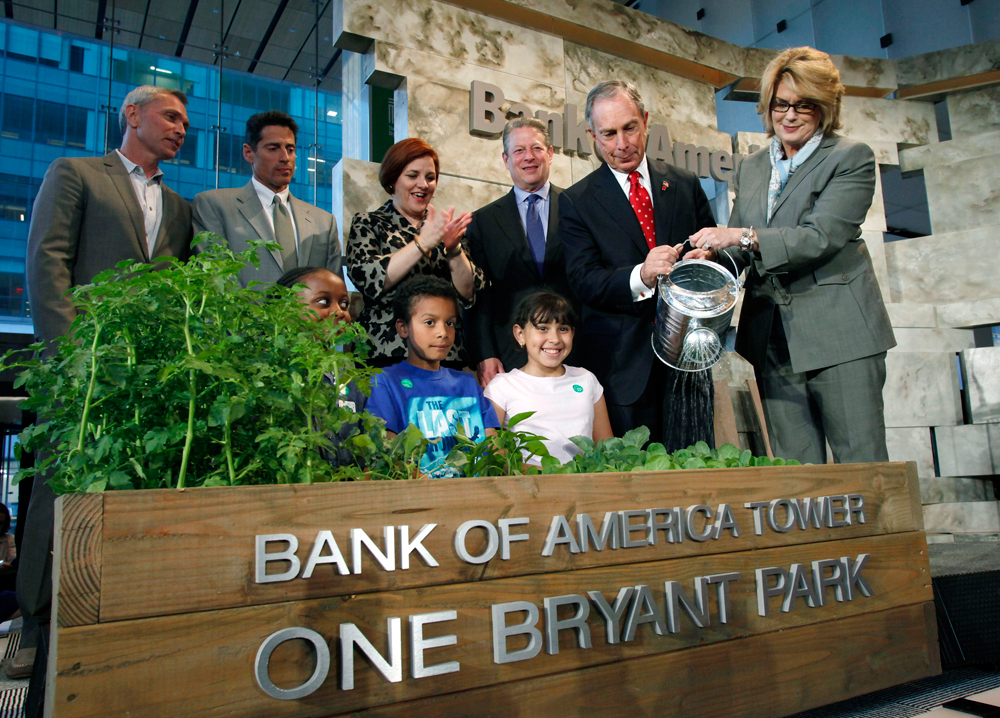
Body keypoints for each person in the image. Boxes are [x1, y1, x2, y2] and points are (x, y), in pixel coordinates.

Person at [21, 84, 193, 709]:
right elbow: (48, 263)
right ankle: (33, 620)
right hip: (82, 370)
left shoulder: (178, 205)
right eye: (170, 117)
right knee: (60, 487)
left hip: (144, 379)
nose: (179, 129)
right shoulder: (76, 174)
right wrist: (70, 358)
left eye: (184, 122)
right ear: (132, 115)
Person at [688, 47, 895, 465]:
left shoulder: (850, 157)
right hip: (771, 340)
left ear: (825, 107)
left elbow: (820, 237)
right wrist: (709, 259)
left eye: (804, 105)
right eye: (782, 104)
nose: (790, 115)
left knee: (863, 466)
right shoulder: (751, 167)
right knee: (795, 471)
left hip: (841, 335)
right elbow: (743, 251)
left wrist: (740, 236)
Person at [559, 80, 717, 451]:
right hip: (623, 369)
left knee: (698, 476)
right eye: (608, 133)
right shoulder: (577, 200)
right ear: (592, 136)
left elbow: (719, 251)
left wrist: (707, 259)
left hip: (687, 363)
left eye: (629, 128)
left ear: (645, 121)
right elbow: (583, 280)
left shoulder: (684, 184)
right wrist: (640, 275)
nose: (621, 144)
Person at [346, 139, 482, 368]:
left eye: (430, 177)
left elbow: (469, 293)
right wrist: (422, 243)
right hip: (386, 350)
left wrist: (453, 250)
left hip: (446, 354)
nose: (423, 184)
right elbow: (367, 277)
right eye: (412, 176)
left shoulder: (445, 227)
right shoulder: (369, 222)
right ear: (393, 179)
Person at [465, 117, 577, 388]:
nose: (529, 157)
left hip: (574, 348)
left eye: (536, 148)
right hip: (510, 353)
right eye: (519, 150)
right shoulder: (483, 221)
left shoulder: (579, 207)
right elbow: (477, 297)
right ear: (506, 159)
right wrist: (485, 353)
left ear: (550, 154)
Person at [366, 276, 499, 477]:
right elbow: (387, 455)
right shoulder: (385, 381)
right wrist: (434, 493)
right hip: (419, 500)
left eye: (450, 323)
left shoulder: (467, 383)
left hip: (477, 496)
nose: (443, 332)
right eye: (430, 322)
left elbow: (493, 448)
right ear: (403, 328)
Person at [193, 111, 342, 287]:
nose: (285, 158)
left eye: (290, 149)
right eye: (273, 149)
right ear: (248, 153)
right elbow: (215, 281)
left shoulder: (324, 222)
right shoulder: (215, 206)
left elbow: (333, 292)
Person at [484, 290, 613, 465]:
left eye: (563, 329)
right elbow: (492, 453)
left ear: (572, 334)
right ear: (520, 334)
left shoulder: (586, 379)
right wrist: (544, 477)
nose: (555, 338)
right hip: (528, 486)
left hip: (585, 486)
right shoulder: (502, 386)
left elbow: (607, 449)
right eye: (543, 328)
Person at [276, 266, 366, 467]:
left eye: (344, 304)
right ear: (286, 309)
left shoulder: (351, 377)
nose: (339, 312)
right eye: (324, 302)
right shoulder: (275, 374)